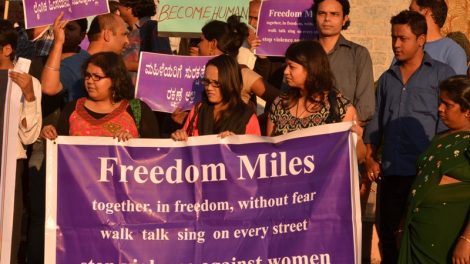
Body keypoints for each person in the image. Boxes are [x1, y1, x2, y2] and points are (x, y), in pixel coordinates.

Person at [363, 10, 456, 264]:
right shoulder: (386, 80)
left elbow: (448, 127)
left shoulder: (442, 75)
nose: (396, 44)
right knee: (388, 236)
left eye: (403, 38)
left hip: (425, 175)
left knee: (420, 238)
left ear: (421, 39)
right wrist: (370, 159)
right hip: (390, 174)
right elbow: (375, 124)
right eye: (394, 37)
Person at [397, 75, 470, 263]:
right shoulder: (440, 138)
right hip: (418, 231)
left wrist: (467, 240)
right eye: (440, 102)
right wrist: (403, 224)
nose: (440, 109)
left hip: (448, 237)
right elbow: (421, 182)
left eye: (448, 105)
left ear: (467, 111)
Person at [266, 40, 365, 160]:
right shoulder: (280, 104)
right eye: (286, 65)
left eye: (291, 66)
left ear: (310, 68)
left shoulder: (340, 108)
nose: (286, 71)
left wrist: (357, 139)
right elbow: (270, 151)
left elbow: (358, 157)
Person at [41, 52, 159, 140]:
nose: (90, 81)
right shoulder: (72, 109)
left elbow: (155, 153)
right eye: (87, 75)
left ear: (115, 79)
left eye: (97, 76)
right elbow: (59, 155)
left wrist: (134, 144)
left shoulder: (137, 110)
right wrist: (49, 136)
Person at [0, 20, 42, 264]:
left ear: (7, 49)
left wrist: (28, 95)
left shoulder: (26, 81)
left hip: (8, 166)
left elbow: (29, 136)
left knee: (7, 230)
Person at [41, 13, 129, 103]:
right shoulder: (76, 64)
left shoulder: (114, 67)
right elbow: (49, 88)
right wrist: (58, 43)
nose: (127, 41)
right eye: (124, 34)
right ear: (107, 34)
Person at [311, 0, 375, 124]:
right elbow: (287, 98)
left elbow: (366, 107)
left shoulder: (358, 54)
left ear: (344, 19)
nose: (327, 19)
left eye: (334, 14)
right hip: (305, 134)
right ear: (315, 16)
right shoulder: (302, 53)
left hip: (344, 133)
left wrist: (342, 129)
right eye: (322, 13)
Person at [171, 54, 260, 140]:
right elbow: (185, 141)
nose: (209, 88)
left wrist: (236, 145)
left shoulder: (247, 118)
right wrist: (179, 136)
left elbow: (255, 152)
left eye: (216, 83)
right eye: (206, 81)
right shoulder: (198, 109)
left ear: (232, 84)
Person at [409, 0, 467, 75]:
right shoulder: (407, 46)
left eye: (412, 11)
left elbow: (457, 85)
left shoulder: (453, 52)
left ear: (426, 12)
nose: (407, 16)